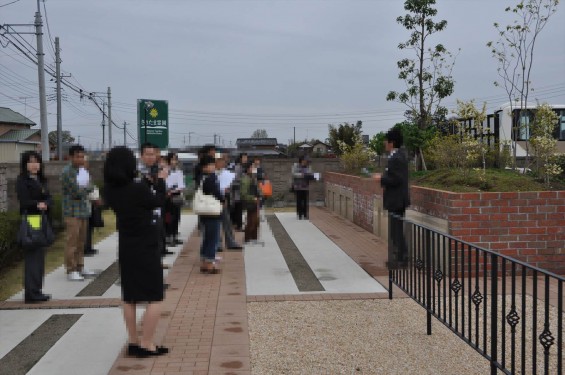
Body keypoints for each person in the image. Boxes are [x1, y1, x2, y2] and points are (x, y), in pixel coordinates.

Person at [104, 146, 169, 358]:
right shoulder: (138, 188)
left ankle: (133, 341)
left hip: (126, 244)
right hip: (146, 245)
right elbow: (158, 201)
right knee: (155, 297)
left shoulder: (109, 190)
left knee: (129, 296)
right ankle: (147, 343)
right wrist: (161, 181)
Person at [16, 151, 52, 303]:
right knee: (33, 257)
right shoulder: (22, 181)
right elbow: (24, 201)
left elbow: (49, 197)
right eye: (31, 161)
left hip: (41, 218)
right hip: (32, 219)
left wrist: (46, 203)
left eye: (36, 161)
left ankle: (37, 290)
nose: (34, 164)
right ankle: (31, 293)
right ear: (25, 164)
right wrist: (39, 204)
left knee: (39, 257)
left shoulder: (40, 180)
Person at [374, 128, 410, 268]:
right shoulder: (396, 156)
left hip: (397, 200)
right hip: (395, 199)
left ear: (392, 142)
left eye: (386, 140)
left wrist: (381, 178)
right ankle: (398, 257)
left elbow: (396, 179)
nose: (384, 143)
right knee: (395, 231)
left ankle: (401, 259)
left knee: (397, 230)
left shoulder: (397, 158)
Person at [61, 145, 95, 281]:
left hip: (83, 210)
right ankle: (71, 269)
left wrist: (86, 187)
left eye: (82, 156)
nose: (80, 159)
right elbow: (77, 191)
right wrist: (86, 188)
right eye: (77, 156)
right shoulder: (67, 172)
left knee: (81, 241)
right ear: (71, 157)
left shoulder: (83, 170)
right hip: (72, 211)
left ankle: (80, 266)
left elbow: (91, 186)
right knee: (72, 241)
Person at [138, 143, 173, 256]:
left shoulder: (156, 170)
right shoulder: (138, 172)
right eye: (147, 154)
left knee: (157, 239)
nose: (150, 157)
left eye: (152, 154)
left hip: (157, 211)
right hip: (144, 214)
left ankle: (158, 259)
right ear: (141, 156)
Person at [198, 155, 224, 273]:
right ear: (204, 167)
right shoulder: (210, 178)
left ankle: (204, 261)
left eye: (213, 164)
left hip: (205, 212)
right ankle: (209, 263)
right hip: (212, 212)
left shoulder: (202, 178)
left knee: (207, 237)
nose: (212, 167)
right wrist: (223, 200)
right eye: (209, 165)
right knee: (212, 238)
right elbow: (216, 192)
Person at [215, 153, 242, 250]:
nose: (223, 163)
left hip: (224, 199)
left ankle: (230, 242)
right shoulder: (211, 173)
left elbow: (233, 184)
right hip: (214, 200)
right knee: (216, 222)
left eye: (223, 161)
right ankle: (218, 243)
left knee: (227, 221)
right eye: (220, 161)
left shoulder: (226, 173)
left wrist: (228, 189)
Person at [164, 152, 185, 246]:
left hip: (176, 195)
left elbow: (181, 184)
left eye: (175, 159)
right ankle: (168, 236)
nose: (174, 161)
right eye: (172, 159)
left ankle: (174, 235)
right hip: (168, 197)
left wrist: (178, 188)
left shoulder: (178, 171)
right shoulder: (165, 171)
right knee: (168, 217)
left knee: (176, 217)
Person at [240, 161, 261, 243]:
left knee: (255, 220)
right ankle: (248, 237)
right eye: (252, 167)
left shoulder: (252, 177)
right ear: (248, 169)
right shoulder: (245, 179)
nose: (254, 169)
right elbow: (243, 193)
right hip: (250, 201)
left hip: (254, 201)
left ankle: (253, 237)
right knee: (252, 220)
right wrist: (253, 198)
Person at [230, 153, 247, 231]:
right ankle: (238, 225)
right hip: (237, 191)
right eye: (244, 158)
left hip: (240, 190)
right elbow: (235, 179)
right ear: (240, 158)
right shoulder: (237, 167)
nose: (245, 159)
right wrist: (244, 180)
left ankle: (238, 224)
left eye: (246, 158)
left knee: (238, 208)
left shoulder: (242, 167)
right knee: (238, 208)